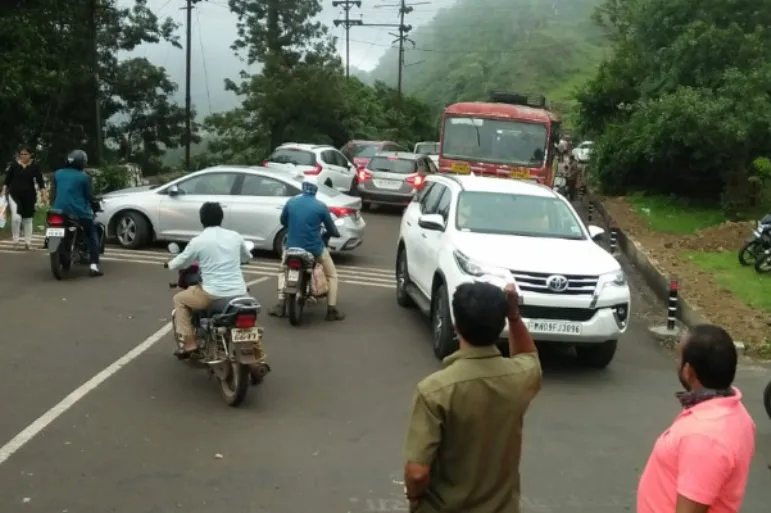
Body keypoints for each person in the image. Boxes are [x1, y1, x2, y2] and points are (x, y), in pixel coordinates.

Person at [402, 281, 542, 513]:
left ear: (456, 326)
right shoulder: (520, 377)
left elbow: (417, 472)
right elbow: (528, 355)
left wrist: (415, 498)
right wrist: (514, 315)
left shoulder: (434, 391)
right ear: (500, 325)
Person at [637, 324, 755, 513]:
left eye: (679, 357)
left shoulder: (705, 436)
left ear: (688, 372)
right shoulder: (736, 411)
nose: (677, 363)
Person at [268, 178, 345, 321]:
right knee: (332, 275)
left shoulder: (291, 202)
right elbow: (331, 228)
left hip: (291, 247)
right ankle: (331, 309)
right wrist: (334, 233)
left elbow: (283, 221)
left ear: (303, 187)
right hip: (314, 249)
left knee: (282, 271)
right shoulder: (321, 206)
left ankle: (280, 304)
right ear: (316, 190)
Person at [50, 149, 102, 276]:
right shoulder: (84, 177)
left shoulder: (57, 174)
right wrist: (95, 205)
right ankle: (94, 266)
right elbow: (89, 196)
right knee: (92, 234)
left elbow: (54, 193)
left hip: (57, 211)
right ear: (82, 163)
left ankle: (58, 249)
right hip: (79, 212)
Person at [2, 146, 47, 249]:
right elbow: (7, 181)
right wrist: (4, 191)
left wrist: (44, 195)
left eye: (25, 154)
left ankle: (28, 242)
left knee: (28, 219)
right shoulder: (14, 166)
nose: (23, 156)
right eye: (21, 154)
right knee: (16, 218)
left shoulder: (35, 167)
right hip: (14, 195)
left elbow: (41, 182)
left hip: (29, 196)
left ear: (30, 155)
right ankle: (15, 241)